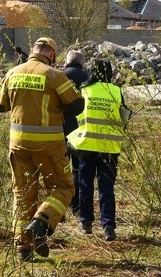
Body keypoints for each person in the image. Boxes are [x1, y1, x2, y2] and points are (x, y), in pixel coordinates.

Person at [0, 37, 84, 262]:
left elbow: (0, 106)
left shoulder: (12, 73)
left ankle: (23, 247)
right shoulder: (54, 75)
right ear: (52, 55)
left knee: (23, 194)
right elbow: (77, 106)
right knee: (63, 187)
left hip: (18, 145)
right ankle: (42, 221)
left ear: (33, 50)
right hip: (48, 145)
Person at [67, 58, 128, 242]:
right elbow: (124, 118)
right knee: (106, 187)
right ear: (109, 73)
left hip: (86, 145)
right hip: (109, 147)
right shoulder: (116, 91)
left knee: (85, 185)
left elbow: (74, 114)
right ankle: (108, 226)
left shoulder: (84, 90)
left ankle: (85, 223)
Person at [62, 50, 89, 215]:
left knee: (61, 169)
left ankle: (59, 205)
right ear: (82, 63)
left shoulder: (59, 76)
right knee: (79, 169)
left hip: (62, 128)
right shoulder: (88, 77)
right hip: (82, 130)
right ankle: (77, 205)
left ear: (67, 61)